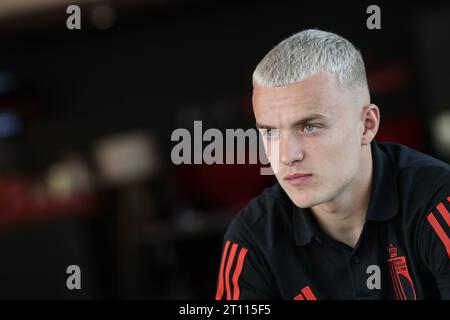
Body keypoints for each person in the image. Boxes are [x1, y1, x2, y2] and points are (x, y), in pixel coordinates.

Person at [215, 29, 450, 300]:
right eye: (270, 132)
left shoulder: (438, 203)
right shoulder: (253, 237)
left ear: (367, 125)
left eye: (310, 126)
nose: (286, 155)